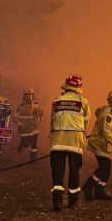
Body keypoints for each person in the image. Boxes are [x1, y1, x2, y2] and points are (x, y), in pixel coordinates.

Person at [48, 75, 90, 211]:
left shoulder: (56, 101)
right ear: (79, 87)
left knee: (57, 172)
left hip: (58, 142)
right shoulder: (83, 101)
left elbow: (52, 122)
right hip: (75, 142)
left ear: (66, 87)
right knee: (74, 172)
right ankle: (73, 201)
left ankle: (57, 202)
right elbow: (86, 122)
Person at [15, 89, 43, 159]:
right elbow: (15, 116)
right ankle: (22, 144)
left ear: (33, 95)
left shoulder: (35, 104)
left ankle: (33, 157)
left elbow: (40, 113)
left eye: (30, 95)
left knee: (34, 144)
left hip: (34, 128)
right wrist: (19, 124)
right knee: (26, 144)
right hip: (24, 129)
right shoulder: (21, 106)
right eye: (27, 95)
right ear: (24, 96)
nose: (29, 96)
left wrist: (39, 115)